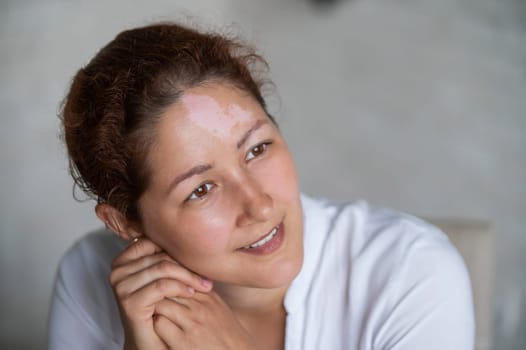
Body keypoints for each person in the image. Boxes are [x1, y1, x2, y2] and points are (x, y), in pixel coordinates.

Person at [48, 22, 475, 350]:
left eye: (257, 149)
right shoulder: (88, 276)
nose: (259, 206)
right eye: (201, 189)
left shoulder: (409, 272)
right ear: (125, 223)